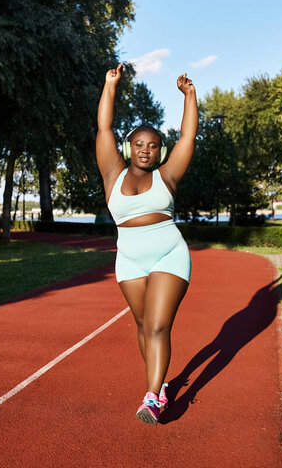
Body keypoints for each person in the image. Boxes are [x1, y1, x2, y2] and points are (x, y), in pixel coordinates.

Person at [96, 63, 198, 426]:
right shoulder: (113, 173)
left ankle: (153, 397)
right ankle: (159, 386)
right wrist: (111, 86)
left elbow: (187, 139)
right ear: (129, 146)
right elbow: (104, 127)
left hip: (169, 252)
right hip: (129, 260)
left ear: (159, 150)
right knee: (142, 326)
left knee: (157, 326)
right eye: (138, 144)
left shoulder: (167, 177)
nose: (145, 150)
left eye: (152, 146)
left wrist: (190, 97)